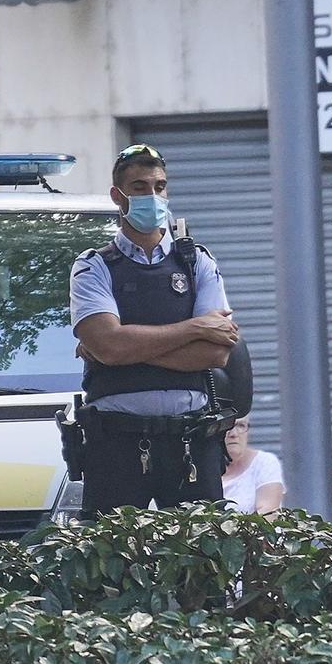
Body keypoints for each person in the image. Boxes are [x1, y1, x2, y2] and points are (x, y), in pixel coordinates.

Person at [67, 144, 240, 516]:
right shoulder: (93, 266)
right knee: (112, 566)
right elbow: (110, 346)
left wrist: (125, 347)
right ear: (118, 196)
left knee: (200, 567)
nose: (153, 196)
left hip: (190, 440)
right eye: (140, 187)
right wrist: (194, 327)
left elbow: (216, 352)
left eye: (159, 187)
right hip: (117, 442)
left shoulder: (197, 262)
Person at [221, 416, 285, 514]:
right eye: (227, 426)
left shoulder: (265, 462)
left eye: (241, 426)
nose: (233, 434)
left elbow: (269, 514)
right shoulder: (201, 469)